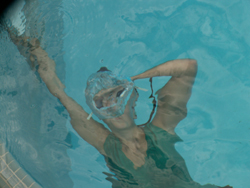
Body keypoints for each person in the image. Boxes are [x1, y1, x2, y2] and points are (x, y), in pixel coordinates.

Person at [8, 32, 232, 188]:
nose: (111, 105)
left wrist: (134, 78)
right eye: (102, 102)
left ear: (133, 107)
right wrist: (36, 52)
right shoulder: (104, 142)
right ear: (97, 113)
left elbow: (187, 67)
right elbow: (59, 92)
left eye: (116, 95)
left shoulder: (161, 129)